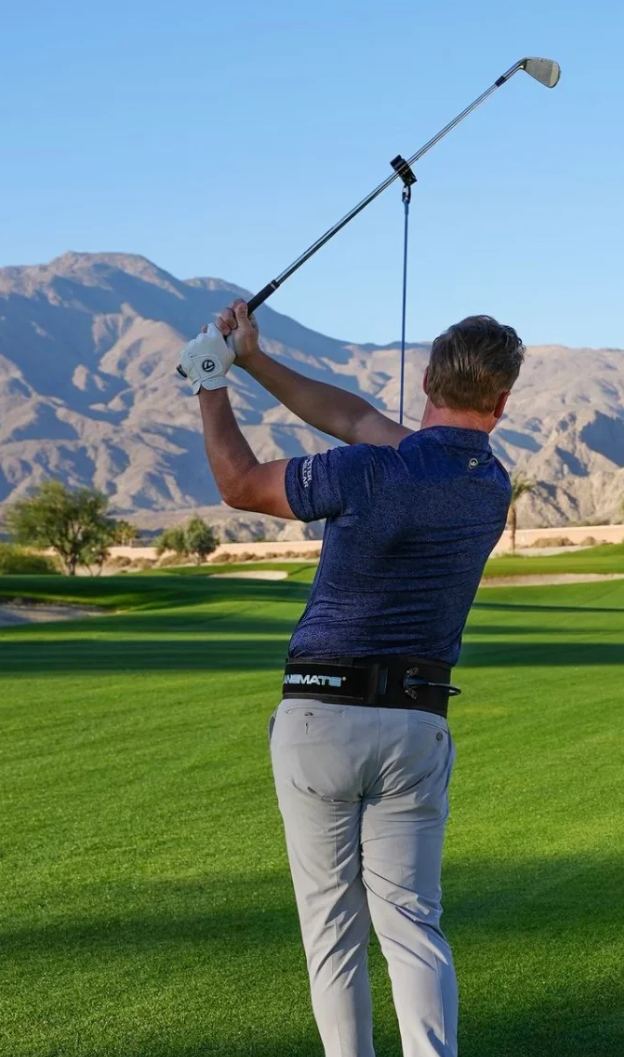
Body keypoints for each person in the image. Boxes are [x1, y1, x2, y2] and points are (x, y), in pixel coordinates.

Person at [177, 300, 525, 1057]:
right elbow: (361, 418)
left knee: (333, 927)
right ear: (500, 403)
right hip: (415, 725)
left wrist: (213, 379)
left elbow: (240, 484)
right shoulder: (489, 485)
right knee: (411, 924)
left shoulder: (366, 471)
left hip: (320, 722)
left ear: (426, 377)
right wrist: (254, 357)